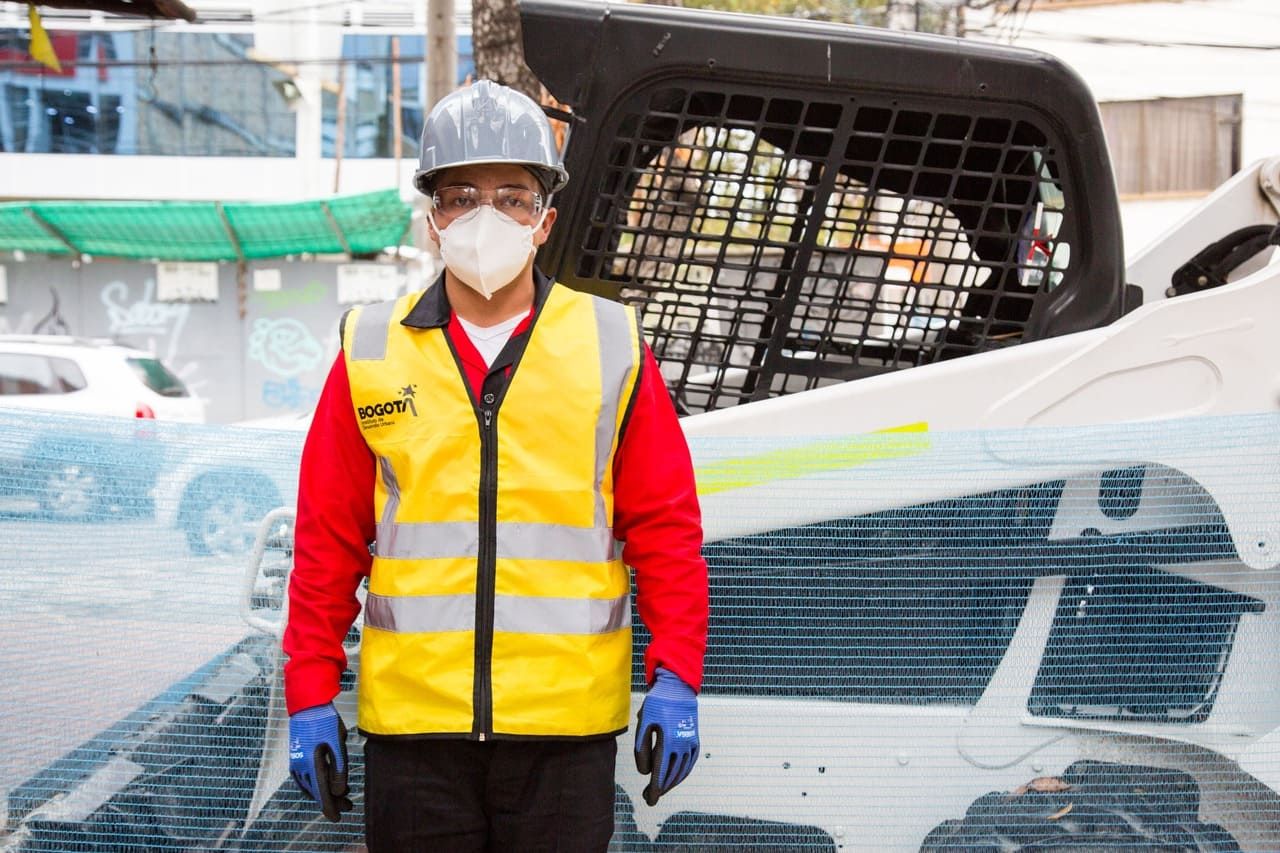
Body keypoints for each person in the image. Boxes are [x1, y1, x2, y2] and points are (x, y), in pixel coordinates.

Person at [282, 79, 709, 851]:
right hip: (414, 735)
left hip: (565, 734)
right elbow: (325, 541)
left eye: (513, 195)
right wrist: (309, 692)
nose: (487, 215)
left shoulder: (611, 343)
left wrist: (676, 674)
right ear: (433, 218)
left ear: (545, 219)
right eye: (462, 194)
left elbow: (667, 530)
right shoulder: (371, 350)